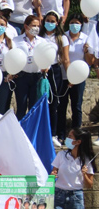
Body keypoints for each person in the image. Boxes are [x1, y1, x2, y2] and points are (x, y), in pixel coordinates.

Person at [57, 14, 94, 142]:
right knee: (62, 106)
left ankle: (76, 136)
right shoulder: (64, 37)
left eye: (77, 23)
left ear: (81, 25)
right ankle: (61, 135)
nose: (74, 25)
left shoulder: (86, 39)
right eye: (72, 22)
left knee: (76, 106)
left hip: (79, 77)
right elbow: (64, 58)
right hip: (64, 76)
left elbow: (90, 62)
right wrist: (69, 76)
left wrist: (86, 52)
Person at [13, 15, 49, 119]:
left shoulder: (42, 41)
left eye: (38, 26)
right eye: (33, 25)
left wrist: (47, 67)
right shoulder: (16, 40)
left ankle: (31, 133)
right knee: (21, 106)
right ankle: (19, 131)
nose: (36, 28)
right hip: (22, 77)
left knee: (34, 107)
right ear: (26, 26)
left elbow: (48, 56)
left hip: (37, 77)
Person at [40, 11, 64, 147]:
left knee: (54, 104)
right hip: (40, 71)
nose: (50, 23)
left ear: (57, 23)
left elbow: (64, 58)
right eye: (47, 20)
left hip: (54, 71)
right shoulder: (39, 36)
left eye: (53, 21)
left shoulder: (60, 38)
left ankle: (53, 134)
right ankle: (41, 133)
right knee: (41, 102)